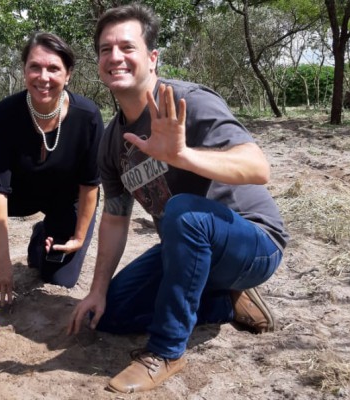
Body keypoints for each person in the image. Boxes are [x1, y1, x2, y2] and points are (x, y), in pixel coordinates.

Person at [66, 3, 289, 394]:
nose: (114, 57)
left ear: (152, 58)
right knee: (112, 314)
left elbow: (259, 167)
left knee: (183, 212)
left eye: (126, 47)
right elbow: (116, 218)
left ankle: (167, 351)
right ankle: (222, 301)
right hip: (188, 249)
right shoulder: (111, 141)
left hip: (252, 243)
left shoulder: (189, 103)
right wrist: (97, 289)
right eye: (105, 49)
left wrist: (183, 156)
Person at [0, 32, 104, 305]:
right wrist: (2, 260)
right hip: (20, 192)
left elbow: (90, 184)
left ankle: (41, 239)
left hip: (65, 199)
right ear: (24, 70)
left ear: (68, 74)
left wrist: (79, 237)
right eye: (34, 67)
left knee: (58, 278)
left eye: (53, 68)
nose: (43, 77)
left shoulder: (88, 116)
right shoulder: (5, 114)